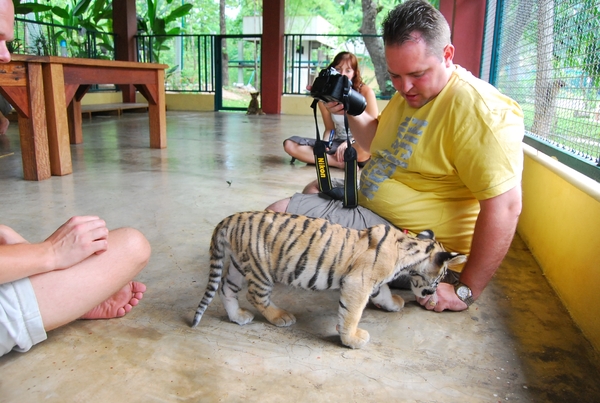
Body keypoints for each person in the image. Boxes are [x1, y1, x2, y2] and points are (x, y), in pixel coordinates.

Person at [267, 0, 524, 313]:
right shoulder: (415, 95)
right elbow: (379, 142)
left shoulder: (480, 112)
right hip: (378, 215)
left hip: (418, 247)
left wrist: (466, 289)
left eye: (416, 74)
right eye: (396, 77)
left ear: (447, 55)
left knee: (276, 217)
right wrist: (347, 109)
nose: (405, 87)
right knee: (312, 191)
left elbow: (506, 207)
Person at [0, 0, 151, 358]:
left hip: (315, 187)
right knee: (131, 245)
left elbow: (314, 166)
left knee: (306, 177)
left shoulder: (316, 151)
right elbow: (312, 156)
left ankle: (59, 298)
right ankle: (56, 298)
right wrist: (47, 254)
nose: (6, 57)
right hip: (315, 176)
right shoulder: (316, 149)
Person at [283, 52, 378, 169]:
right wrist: (326, 142)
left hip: (360, 145)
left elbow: (373, 133)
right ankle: (338, 163)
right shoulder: (326, 95)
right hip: (337, 145)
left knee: (366, 149)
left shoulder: (365, 92)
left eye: (348, 70)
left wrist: (349, 142)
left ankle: (330, 159)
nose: (342, 74)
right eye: (338, 69)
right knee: (290, 145)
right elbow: (330, 129)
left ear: (354, 73)